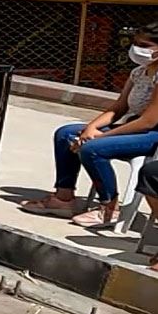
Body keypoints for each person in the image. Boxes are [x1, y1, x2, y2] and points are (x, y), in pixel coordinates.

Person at [20, 23, 158, 227]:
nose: (137, 48)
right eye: (135, 43)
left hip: (151, 133)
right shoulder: (139, 72)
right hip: (132, 126)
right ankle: (63, 197)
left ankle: (109, 207)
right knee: (66, 134)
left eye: (144, 45)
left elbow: (148, 120)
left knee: (93, 148)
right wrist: (90, 128)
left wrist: (101, 137)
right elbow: (118, 107)